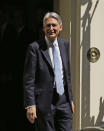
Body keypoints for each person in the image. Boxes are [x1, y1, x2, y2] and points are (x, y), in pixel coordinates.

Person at [23, 12, 74, 131]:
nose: (51, 28)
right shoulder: (34, 48)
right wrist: (30, 105)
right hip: (44, 102)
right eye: (48, 26)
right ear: (43, 28)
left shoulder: (65, 45)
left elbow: (67, 74)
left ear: (60, 27)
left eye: (54, 25)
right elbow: (29, 80)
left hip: (64, 101)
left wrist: (70, 98)